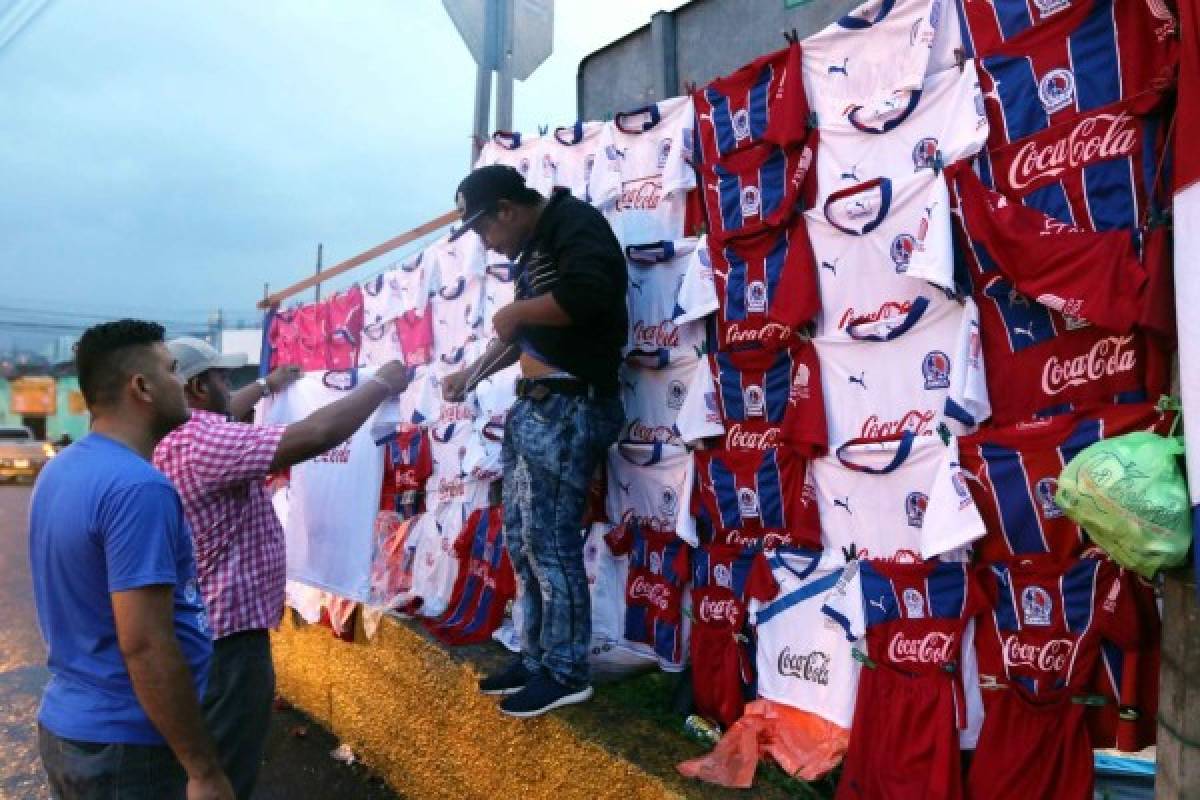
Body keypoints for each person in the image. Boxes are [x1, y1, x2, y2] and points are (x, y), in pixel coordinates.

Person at [152, 337, 409, 799]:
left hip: (194, 629)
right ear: (195, 386)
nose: (229, 387)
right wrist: (380, 384)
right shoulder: (203, 441)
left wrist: (267, 387)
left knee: (195, 764)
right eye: (220, 379)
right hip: (228, 645)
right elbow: (315, 435)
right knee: (226, 768)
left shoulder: (167, 435)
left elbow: (226, 414)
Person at [442, 165, 626, 718]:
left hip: (573, 403)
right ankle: (538, 657)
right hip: (537, 406)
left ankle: (568, 673)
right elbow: (520, 333)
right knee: (521, 540)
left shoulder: (574, 223)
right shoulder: (536, 251)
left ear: (507, 208)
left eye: (484, 230)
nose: (488, 244)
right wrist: (471, 374)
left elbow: (592, 294)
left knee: (551, 543)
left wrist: (517, 310)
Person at [28, 320, 234, 800]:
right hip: (127, 743)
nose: (180, 383)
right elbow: (144, 643)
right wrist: (202, 769)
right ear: (141, 387)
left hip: (72, 728)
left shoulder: (62, 469)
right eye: (170, 370)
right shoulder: (139, 489)